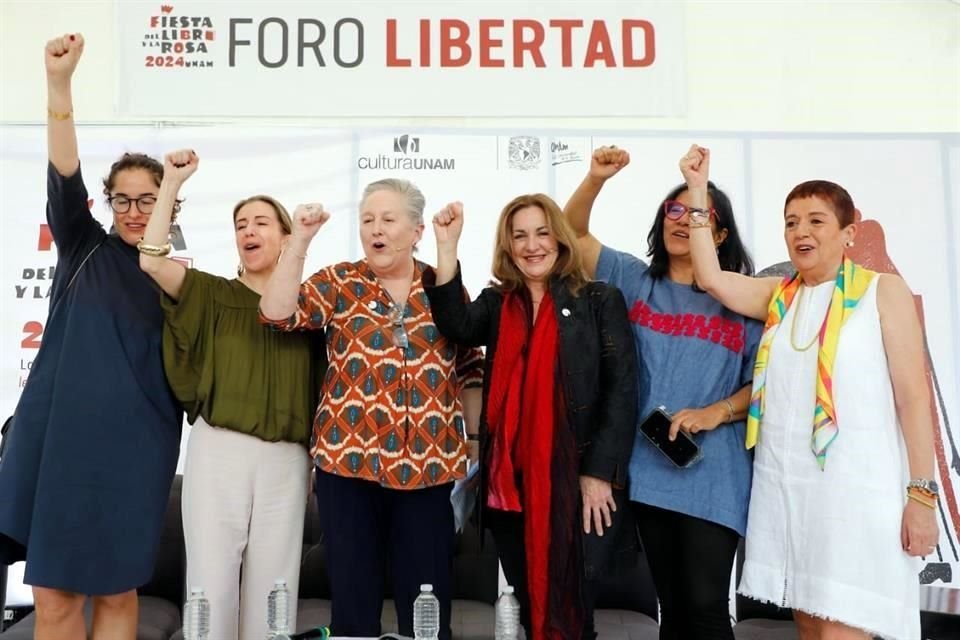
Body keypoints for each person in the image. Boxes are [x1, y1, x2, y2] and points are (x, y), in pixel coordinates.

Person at [682, 144, 938, 640]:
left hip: (858, 495)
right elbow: (710, 278)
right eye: (791, 221)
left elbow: (912, 399)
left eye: (816, 221)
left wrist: (921, 498)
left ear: (848, 234)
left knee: (843, 629)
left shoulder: (882, 291)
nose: (801, 232)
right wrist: (697, 191)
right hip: (790, 492)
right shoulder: (780, 294)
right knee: (812, 626)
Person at [0, 34, 182, 640]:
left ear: (170, 208)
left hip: (135, 450)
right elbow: (63, 171)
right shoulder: (82, 245)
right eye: (123, 200)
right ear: (107, 204)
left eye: (148, 201)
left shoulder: (180, 282)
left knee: (117, 590)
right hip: (60, 443)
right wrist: (60, 86)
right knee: (53, 594)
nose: (134, 211)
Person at [258, 179, 484, 640]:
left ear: (417, 230)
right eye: (367, 220)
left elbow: (469, 365)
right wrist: (298, 241)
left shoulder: (443, 288)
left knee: (425, 605)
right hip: (348, 466)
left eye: (388, 219)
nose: (375, 230)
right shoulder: (341, 281)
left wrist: (477, 444)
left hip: (429, 467)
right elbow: (278, 314)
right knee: (354, 602)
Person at [563, 146, 762, 640]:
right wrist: (594, 179)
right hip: (649, 468)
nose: (681, 220)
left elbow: (766, 385)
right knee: (670, 608)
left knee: (706, 606)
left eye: (696, 214)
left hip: (715, 473)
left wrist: (718, 411)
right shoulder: (632, 279)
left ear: (717, 234)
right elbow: (572, 235)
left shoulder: (743, 297)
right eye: (672, 210)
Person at [425, 195, 638, 640]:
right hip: (510, 491)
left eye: (542, 232)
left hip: (577, 485)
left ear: (560, 239)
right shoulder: (499, 303)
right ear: (507, 246)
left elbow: (621, 392)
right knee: (528, 606)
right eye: (519, 235)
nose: (532, 245)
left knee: (575, 609)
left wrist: (598, 472)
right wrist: (447, 246)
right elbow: (457, 325)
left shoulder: (599, 300)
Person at [137, 150, 325, 640]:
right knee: (210, 583)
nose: (248, 230)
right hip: (219, 448)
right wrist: (172, 184)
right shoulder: (209, 292)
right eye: (241, 223)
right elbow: (152, 258)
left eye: (261, 221)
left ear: (286, 236)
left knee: (275, 591)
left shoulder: (312, 309)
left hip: (288, 457)